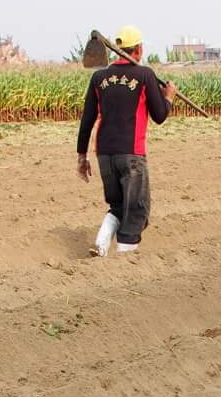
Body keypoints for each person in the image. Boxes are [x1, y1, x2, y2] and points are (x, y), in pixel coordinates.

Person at [77, 26, 180, 256]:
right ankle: (125, 261)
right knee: (136, 210)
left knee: (117, 205)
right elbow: (160, 116)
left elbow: (87, 120)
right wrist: (169, 97)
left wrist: (81, 156)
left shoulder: (99, 77)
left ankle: (101, 244)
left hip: (104, 155)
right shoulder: (145, 75)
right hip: (131, 155)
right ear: (140, 49)